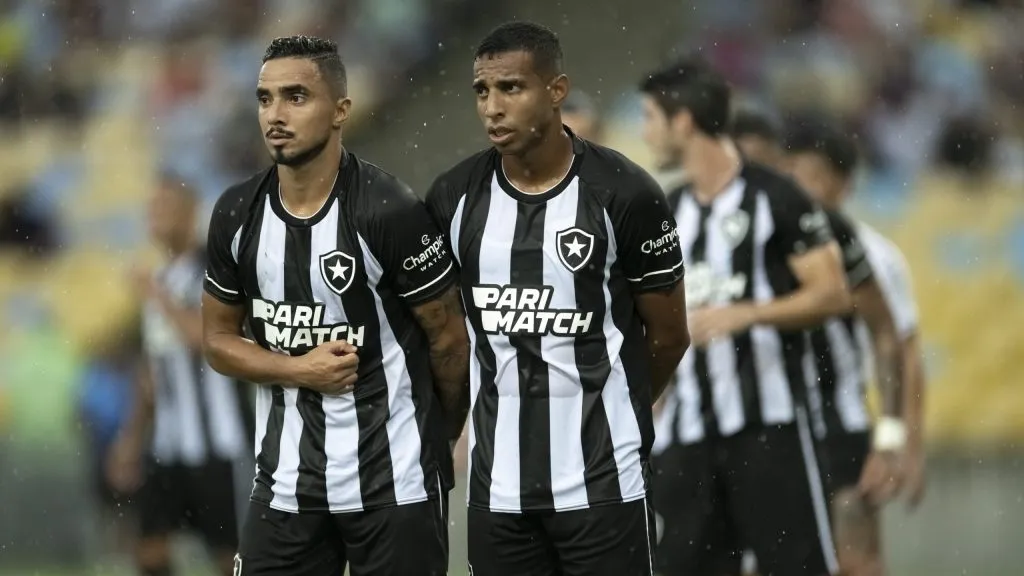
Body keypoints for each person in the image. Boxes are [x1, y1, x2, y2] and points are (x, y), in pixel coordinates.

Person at [425, 21, 690, 576]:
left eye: (511, 88)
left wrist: (617, 408)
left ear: (556, 91)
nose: (492, 107)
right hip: (498, 490)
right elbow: (439, 332)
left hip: (604, 483)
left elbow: (668, 335)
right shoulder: (453, 197)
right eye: (481, 91)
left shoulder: (626, 194)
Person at [200, 35, 470, 576]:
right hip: (284, 487)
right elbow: (217, 342)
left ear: (341, 110)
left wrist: (436, 437)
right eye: (265, 98)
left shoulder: (389, 209)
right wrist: (299, 369)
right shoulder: (236, 214)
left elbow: (448, 338)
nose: (275, 114)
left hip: (394, 484)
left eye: (296, 97)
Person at [639, 57, 856, 576]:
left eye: (650, 117)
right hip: (686, 435)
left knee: (797, 567)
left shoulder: (775, 198)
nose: (646, 131)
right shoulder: (665, 210)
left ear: (683, 121)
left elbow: (831, 294)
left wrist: (747, 314)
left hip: (770, 430)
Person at [785, 119, 928, 576]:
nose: (795, 186)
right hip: (775, 431)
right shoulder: (770, 246)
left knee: (855, 559)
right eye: (789, 173)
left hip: (841, 428)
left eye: (809, 175)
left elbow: (904, 350)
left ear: (842, 185)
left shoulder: (873, 256)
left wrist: (901, 444)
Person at [106, 176, 253, 576]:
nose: (156, 215)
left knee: (231, 559)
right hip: (169, 446)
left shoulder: (214, 268)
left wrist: (155, 295)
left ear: (191, 214)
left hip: (220, 445)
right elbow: (153, 372)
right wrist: (131, 438)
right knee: (149, 551)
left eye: (166, 206)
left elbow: (206, 339)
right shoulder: (163, 279)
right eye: (152, 207)